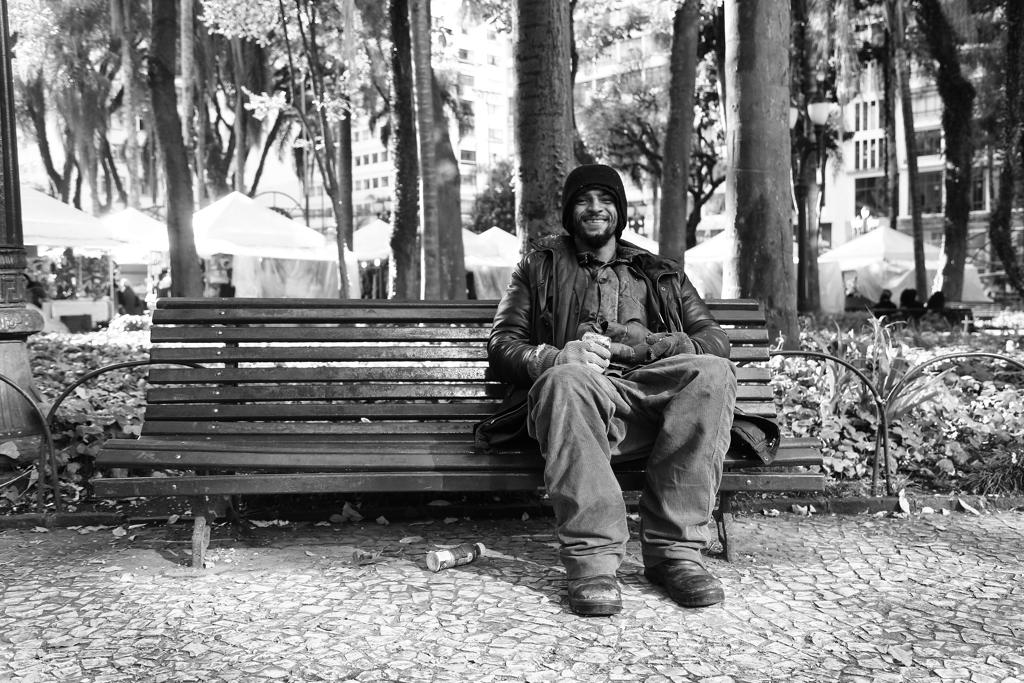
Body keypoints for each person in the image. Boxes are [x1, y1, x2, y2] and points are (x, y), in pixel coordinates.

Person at [477, 164, 776, 616]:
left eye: (605, 200)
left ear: (619, 210)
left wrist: (657, 345)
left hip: (652, 401)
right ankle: (593, 564)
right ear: (568, 212)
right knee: (566, 378)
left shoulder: (661, 273)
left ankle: (675, 555)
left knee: (712, 373)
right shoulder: (537, 268)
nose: (594, 209)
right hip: (579, 398)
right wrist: (557, 356)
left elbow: (715, 341)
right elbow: (502, 346)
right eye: (583, 200)